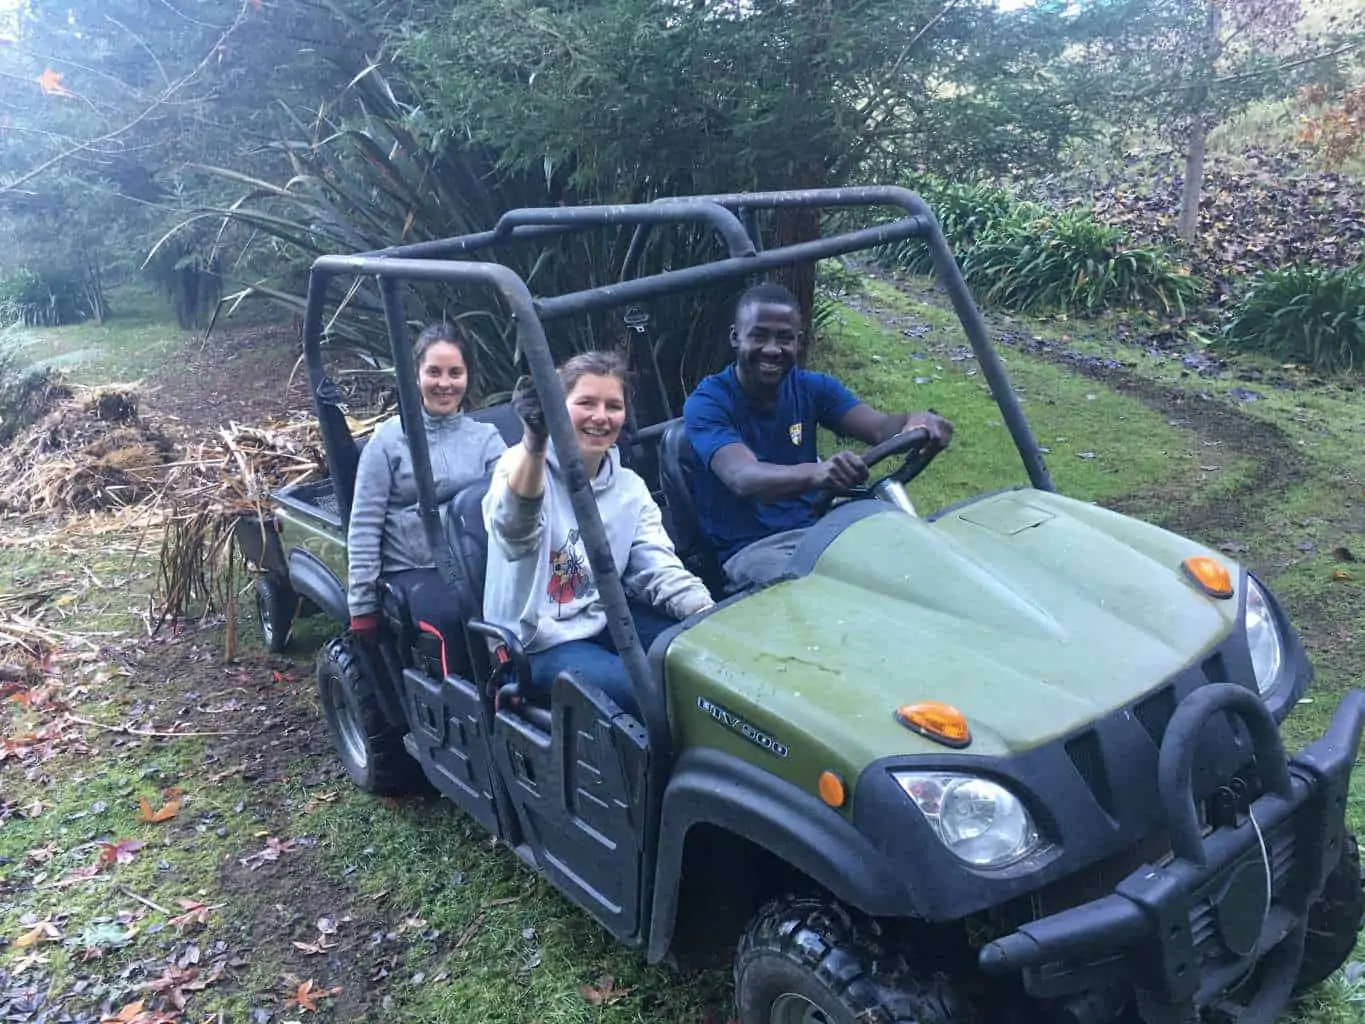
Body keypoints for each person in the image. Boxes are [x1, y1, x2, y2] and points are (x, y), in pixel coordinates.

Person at [482, 351, 714, 718]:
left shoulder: (629, 488)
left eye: (613, 405)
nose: (600, 417)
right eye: (586, 403)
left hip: (603, 617)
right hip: (535, 644)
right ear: (558, 407)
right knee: (646, 695)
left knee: (699, 662)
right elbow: (515, 533)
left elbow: (657, 567)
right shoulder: (521, 466)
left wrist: (707, 616)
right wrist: (535, 441)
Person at [684, 282, 954, 589]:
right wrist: (817, 473)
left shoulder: (813, 388)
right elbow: (743, 477)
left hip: (820, 528)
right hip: (752, 548)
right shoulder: (708, 402)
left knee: (908, 559)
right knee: (822, 593)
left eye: (784, 338)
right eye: (759, 336)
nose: (772, 349)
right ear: (736, 337)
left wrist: (914, 421)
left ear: (798, 342)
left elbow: (879, 428)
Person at [346, 322, 508, 669]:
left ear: (467, 376)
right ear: (415, 375)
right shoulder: (389, 441)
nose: (444, 384)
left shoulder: (486, 438)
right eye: (433, 372)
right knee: (456, 616)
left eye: (455, 372)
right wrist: (362, 604)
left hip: (474, 562)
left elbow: (514, 503)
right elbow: (364, 524)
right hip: (415, 568)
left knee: (511, 607)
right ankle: (467, 711)